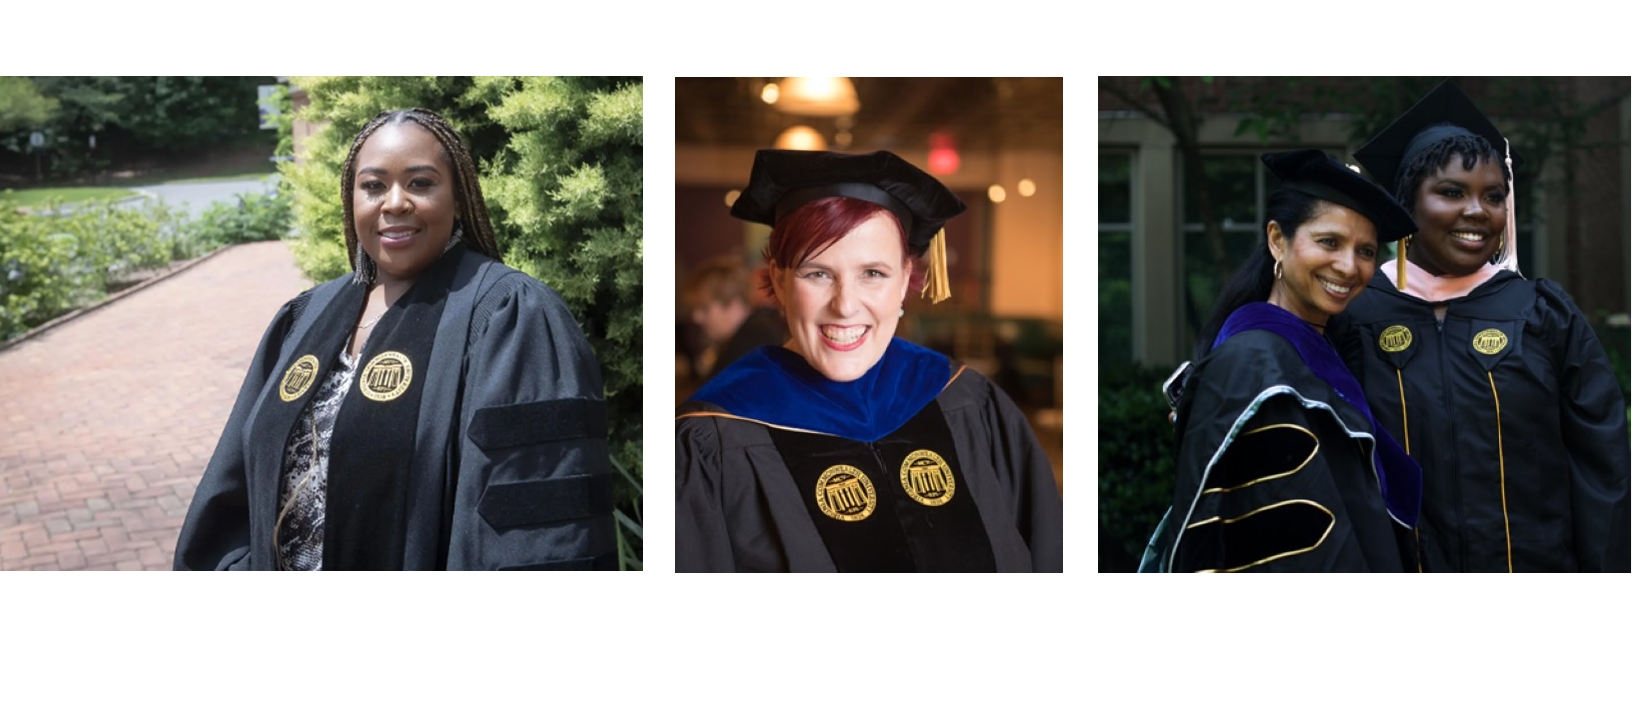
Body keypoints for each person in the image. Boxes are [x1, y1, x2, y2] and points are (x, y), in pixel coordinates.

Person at [174, 108, 616, 570]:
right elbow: (234, 489)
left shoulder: (512, 317)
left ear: (459, 198)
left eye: (421, 183)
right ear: (352, 199)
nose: (395, 202)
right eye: (373, 185)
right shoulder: (306, 317)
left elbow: (536, 527)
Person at [675, 149, 1062, 572]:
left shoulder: (968, 401)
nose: (845, 306)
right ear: (780, 282)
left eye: (873, 274)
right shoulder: (715, 437)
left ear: (905, 281)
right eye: (817, 273)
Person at [1331, 79, 1630, 572]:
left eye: (1493, 196)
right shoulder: (1355, 318)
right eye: (1451, 192)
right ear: (1407, 202)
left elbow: (1604, 470)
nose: (1477, 211)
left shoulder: (1541, 313)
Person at [1151, 149, 1422, 573]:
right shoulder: (1253, 362)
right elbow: (1278, 530)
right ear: (1278, 239)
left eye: (1366, 251)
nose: (1349, 266)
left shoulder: (1321, 349)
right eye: (1329, 242)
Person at [680, 255, 787, 379]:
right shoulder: (751, 333)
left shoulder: (754, 339)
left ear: (733, 303)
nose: (696, 317)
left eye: (705, 309)